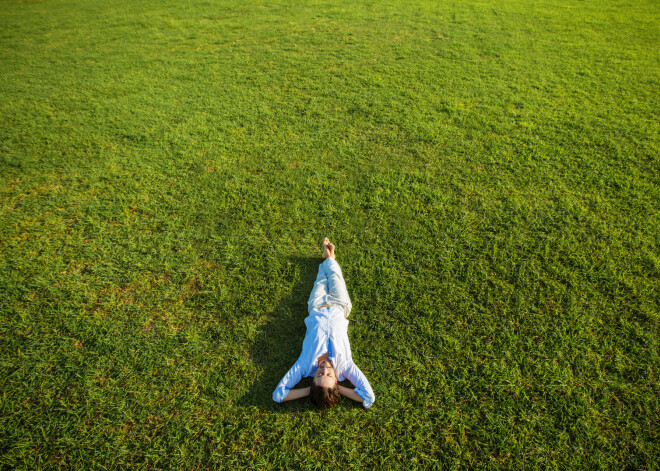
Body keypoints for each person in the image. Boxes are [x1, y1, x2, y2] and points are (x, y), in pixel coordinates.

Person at [272, 238, 375, 409]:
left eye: (319, 375)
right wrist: (337, 388)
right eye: (328, 374)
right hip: (339, 305)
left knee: (320, 279)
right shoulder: (345, 366)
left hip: (317, 305)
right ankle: (330, 256)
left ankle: (326, 257)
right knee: (335, 277)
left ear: (313, 379)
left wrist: (311, 389)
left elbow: (279, 395)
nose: (325, 369)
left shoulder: (305, 364)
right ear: (336, 379)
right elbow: (368, 397)